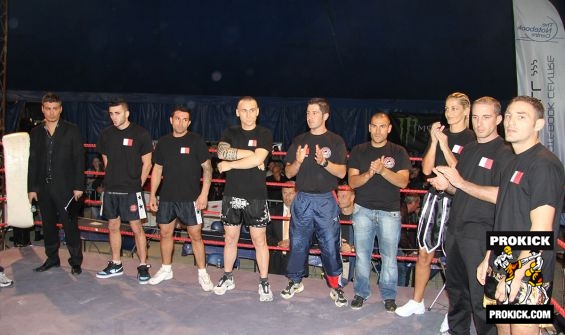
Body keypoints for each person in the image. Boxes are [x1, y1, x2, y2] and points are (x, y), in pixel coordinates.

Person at [436, 96, 565, 335]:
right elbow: (504, 214)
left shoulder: (545, 165)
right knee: (502, 329)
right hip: (501, 260)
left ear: (538, 124)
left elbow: (542, 227)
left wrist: (520, 271)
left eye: (521, 116)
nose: (512, 122)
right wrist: (489, 255)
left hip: (528, 269)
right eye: (510, 116)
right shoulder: (514, 161)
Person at [427, 97, 514, 335]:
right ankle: (457, 331)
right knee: (456, 292)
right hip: (456, 227)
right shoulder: (471, 149)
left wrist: (460, 183)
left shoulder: (505, 153)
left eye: (486, 117)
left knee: (481, 297)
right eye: (475, 117)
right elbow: (460, 187)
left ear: (498, 119)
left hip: (481, 232)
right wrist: (447, 185)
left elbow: (503, 196)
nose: (479, 123)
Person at [396, 92, 475, 320]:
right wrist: (434, 140)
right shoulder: (441, 134)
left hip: (458, 200)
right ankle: (417, 301)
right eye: (447, 108)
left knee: (453, 260)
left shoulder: (471, 138)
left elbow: (462, 172)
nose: (448, 113)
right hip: (434, 198)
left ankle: (455, 314)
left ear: (464, 111)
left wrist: (445, 145)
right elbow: (427, 169)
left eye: (453, 108)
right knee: (424, 253)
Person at [281, 97, 348, 307]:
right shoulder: (299, 140)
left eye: (315, 113)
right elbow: (288, 172)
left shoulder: (335, 141)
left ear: (325, 115)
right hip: (303, 199)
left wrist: (325, 162)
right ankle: (295, 281)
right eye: (308, 113)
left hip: (326, 200)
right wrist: (299, 161)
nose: (310, 117)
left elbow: (342, 172)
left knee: (329, 245)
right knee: (298, 243)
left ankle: (336, 286)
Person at [348, 112, 411, 311]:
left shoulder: (399, 151)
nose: (377, 130)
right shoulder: (359, 150)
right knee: (362, 255)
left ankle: (389, 296)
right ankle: (360, 292)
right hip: (363, 210)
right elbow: (352, 181)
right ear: (369, 128)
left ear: (389, 128)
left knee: (389, 257)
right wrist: (370, 173)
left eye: (382, 126)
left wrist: (383, 171)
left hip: (390, 212)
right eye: (374, 126)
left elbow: (403, 181)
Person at [213, 96, 274, 302]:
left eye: (251, 110)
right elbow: (221, 151)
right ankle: (227, 276)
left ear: (257, 111)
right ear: (237, 112)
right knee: (230, 238)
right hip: (232, 194)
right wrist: (249, 153)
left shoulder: (264, 133)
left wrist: (230, 164)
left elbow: (258, 159)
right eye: (243, 110)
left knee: (260, 240)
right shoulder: (230, 132)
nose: (248, 114)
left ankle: (264, 281)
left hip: (255, 195)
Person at [147, 106, 214, 290]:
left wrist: (204, 193)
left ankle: (202, 273)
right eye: (178, 118)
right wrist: (153, 194)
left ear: (189, 122)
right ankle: (166, 268)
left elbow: (207, 168)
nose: (181, 122)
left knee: (196, 235)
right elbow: (157, 169)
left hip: (191, 198)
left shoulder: (196, 140)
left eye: (185, 119)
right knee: (165, 234)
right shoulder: (163, 142)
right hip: (167, 197)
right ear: (171, 120)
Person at [95, 99, 153, 284]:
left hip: (131, 190)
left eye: (117, 113)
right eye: (111, 113)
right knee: (113, 226)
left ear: (127, 113)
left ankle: (143, 265)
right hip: (111, 189)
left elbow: (147, 163)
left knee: (137, 228)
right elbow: (105, 159)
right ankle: (116, 263)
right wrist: (111, 179)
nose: (114, 117)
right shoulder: (106, 134)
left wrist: (138, 184)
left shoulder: (140, 133)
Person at [28, 92, 85, 275]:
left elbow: (79, 159)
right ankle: (52, 259)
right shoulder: (36, 132)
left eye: (55, 109)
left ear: (60, 109)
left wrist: (79, 186)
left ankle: (76, 261)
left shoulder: (72, 130)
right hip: (43, 188)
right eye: (48, 109)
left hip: (67, 188)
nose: (51, 112)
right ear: (42, 109)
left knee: (70, 226)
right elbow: (33, 162)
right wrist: (31, 188)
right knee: (48, 226)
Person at [266, 181, 297, 275]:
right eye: (285, 193)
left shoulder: (304, 213)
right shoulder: (273, 211)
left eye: (291, 193)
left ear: (297, 194)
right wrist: (278, 243)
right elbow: (265, 235)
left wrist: (293, 242)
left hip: (295, 258)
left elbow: (310, 236)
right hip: (276, 258)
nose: (287, 197)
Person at [397, 193, 421, 287]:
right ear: (414, 203)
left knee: (397, 268)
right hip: (396, 244)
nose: (418, 206)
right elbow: (401, 233)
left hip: (397, 243)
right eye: (418, 203)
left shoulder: (404, 210)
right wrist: (409, 250)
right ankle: (400, 293)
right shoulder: (402, 212)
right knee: (401, 270)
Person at [85, 154, 104, 219]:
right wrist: (94, 178)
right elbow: (85, 181)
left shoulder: (104, 171)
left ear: (100, 162)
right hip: (92, 196)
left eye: (97, 161)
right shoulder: (90, 171)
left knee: (101, 215)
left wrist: (103, 188)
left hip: (102, 196)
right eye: (94, 161)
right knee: (96, 216)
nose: (95, 163)